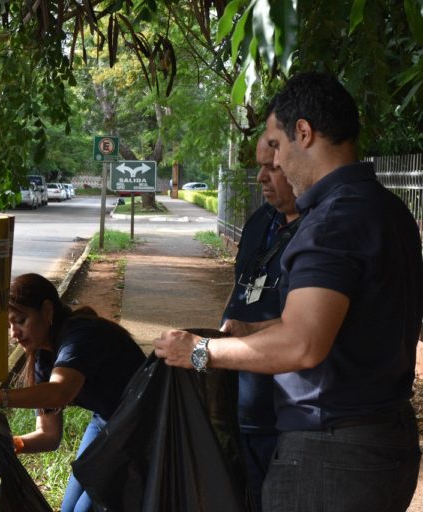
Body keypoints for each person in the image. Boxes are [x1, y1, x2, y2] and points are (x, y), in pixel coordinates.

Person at [155, 71, 423, 511]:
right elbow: (338, 321)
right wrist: (253, 329)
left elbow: (303, 344)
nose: (274, 164)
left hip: (330, 454)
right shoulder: (387, 209)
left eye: (276, 146)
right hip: (385, 439)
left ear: (304, 132)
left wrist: (201, 351)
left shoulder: (331, 222)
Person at [0, 273, 146, 512]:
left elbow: (60, 392)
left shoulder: (81, 335)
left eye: (21, 320)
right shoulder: (44, 360)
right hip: (106, 421)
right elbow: (48, 435)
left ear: (47, 311)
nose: (14, 333)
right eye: (9, 325)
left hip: (140, 424)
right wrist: (8, 445)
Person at [220, 135, 299, 511]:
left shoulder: (321, 232)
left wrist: (204, 352)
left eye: (273, 168)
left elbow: (305, 330)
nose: (261, 178)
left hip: (285, 418)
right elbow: (239, 291)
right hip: (239, 405)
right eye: (259, 167)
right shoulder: (259, 222)